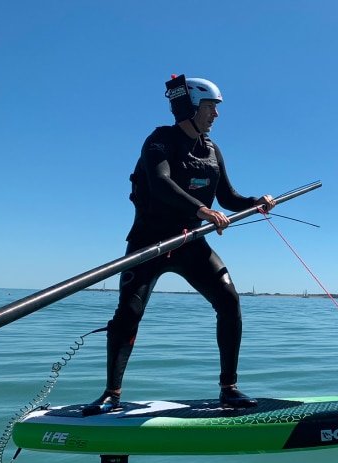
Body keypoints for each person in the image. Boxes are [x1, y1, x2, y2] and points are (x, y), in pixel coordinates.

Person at [86, 75, 275, 413]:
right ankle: (111, 394)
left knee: (229, 302)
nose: (216, 115)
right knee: (128, 313)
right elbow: (160, 183)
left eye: (217, 109)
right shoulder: (159, 141)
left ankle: (229, 388)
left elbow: (228, 196)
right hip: (149, 241)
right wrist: (203, 210)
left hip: (191, 243)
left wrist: (255, 202)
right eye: (210, 107)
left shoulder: (212, 150)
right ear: (189, 107)